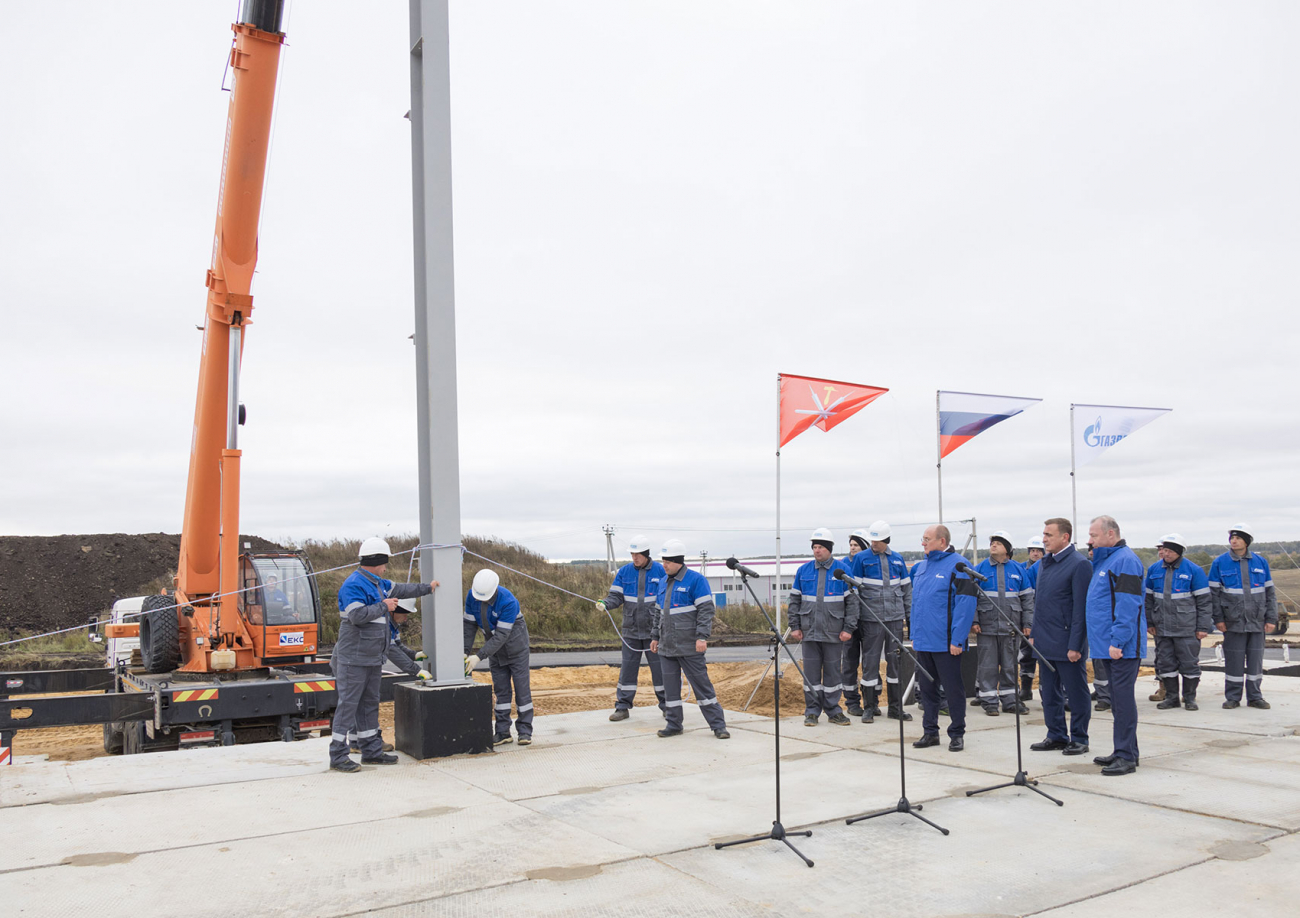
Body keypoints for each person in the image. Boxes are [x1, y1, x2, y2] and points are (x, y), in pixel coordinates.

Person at [330, 538, 438, 773]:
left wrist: (427, 588)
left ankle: (371, 752)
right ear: (377, 561)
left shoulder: (377, 583)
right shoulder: (354, 585)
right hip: (353, 659)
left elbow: (402, 588)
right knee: (348, 706)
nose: (386, 568)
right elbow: (357, 616)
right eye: (385, 563)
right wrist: (384, 606)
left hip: (371, 658)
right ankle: (338, 755)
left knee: (369, 705)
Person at [1085, 515, 1146, 776]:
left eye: (1094, 535)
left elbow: (1128, 605)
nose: (1090, 540)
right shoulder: (1107, 560)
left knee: (1122, 701)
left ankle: (1126, 757)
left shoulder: (1126, 561)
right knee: (1118, 702)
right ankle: (1125, 750)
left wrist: (1118, 641)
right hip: (1106, 645)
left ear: (1111, 535)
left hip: (1121, 646)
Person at [650, 539, 729, 739]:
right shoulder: (662, 581)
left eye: (668, 561)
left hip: (690, 645)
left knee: (702, 686)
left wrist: (702, 637)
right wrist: (654, 637)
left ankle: (718, 725)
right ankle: (674, 724)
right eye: (663, 561)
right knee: (671, 690)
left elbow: (706, 610)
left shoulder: (695, 580)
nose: (664, 565)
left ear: (678, 561)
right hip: (666, 646)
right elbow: (658, 613)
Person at [1029, 518, 1093, 760]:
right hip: (1045, 641)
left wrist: (1075, 645)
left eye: (1049, 535)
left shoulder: (1079, 565)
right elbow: (1041, 604)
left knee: (1076, 693)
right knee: (1049, 692)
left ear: (1065, 537)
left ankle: (1079, 738)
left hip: (1067, 643)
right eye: (1044, 534)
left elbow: (1080, 608)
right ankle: (1056, 734)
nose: (1044, 539)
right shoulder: (1046, 563)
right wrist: (1034, 633)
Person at [909, 525, 978, 752]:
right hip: (923, 641)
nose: (923, 543)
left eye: (927, 539)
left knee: (952, 689)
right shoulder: (921, 567)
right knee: (927, 691)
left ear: (942, 541)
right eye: (922, 539)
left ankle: (957, 733)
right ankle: (930, 732)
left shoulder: (959, 566)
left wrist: (958, 639)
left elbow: (965, 605)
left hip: (946, 642)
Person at [788, 529, 859, 726]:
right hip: (809, 631)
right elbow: (794, 600)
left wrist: (848, 628)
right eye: (814, 547)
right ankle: (811, 712)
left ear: (829, 549)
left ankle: (833, 710)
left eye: (820, 547)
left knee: (833, 674)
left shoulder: (842, 570)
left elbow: (852, 603)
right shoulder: (803, 571)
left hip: (834, 632)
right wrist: (794, 625)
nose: (816, 551)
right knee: (810, 675)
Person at [848, 521, 913, 723]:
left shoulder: (898, 560)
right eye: (872, 540)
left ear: (886, 540)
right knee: (870, 663)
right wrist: (857, 618)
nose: (874, 544)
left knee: (895, 664)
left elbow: (906, 591)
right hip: (871, 620)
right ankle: (870, 707)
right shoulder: (860, 559)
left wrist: (909, 618)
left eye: (878, 540)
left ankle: (895, 708)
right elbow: (854, 592)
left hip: (894, 620)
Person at [597, 536, 667, 721]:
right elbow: (616, 596)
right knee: (627, 669)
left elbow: (667, 598)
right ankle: (622, 707)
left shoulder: (660, 571)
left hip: (655, 632)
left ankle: (667, 706)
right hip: (631, 631)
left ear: (646, 554)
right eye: (632, 554)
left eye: (637, 554)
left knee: (660, 669)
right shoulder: (624, 572)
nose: (634, 557)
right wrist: (605, 604)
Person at [1209, 525, 1278, 710]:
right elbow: (1213, 595)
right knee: (1234, 662)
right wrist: (1218, 619)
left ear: (1247, 541)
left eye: (1238, 538)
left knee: (1255, 662)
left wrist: (1271, 618)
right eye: (1232, 537)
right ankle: (1233, 697)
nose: (1233, 541)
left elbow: (1270, 592)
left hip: (1257, 621)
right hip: (1232, 622)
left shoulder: (1260, 562)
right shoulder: (1219, 563)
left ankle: (1255, 697)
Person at [464, 569, 534, 746]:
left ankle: (525, 731)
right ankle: (503, 732)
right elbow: (469, 627)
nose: (481, 600)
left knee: (521, 691)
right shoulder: (472, 596)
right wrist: (464, 652)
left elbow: (502, 636)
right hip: (494, 651)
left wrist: (479, 656)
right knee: (501, 691)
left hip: (516, 650)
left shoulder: (508, 601)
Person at [1145, 535, 1211, 711]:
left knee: (1189, 665)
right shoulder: (1154, 570)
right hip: (1162, 628)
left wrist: (1203, 627)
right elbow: (1148, 599)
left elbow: (1204, 602)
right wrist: (1149, 622)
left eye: (1169, 551)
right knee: (1166, 665)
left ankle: (1189, 698)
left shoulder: (1193, 571)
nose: (1165, 554)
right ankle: (1172, 698)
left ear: (1179, 552)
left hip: (1187, 628)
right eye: (1164, 550)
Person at [973, 531, 1035, 715]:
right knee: (987, 666)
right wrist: (974, 620)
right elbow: (971, 599)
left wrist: (1028, 624)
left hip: (1011, 627)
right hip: (986, 627)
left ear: (1007, 549)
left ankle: (1010, 701)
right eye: (992, 542)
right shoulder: (980, 569)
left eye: (998, 543)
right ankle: (989, 701)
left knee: (1010, 666)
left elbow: (1027, 600)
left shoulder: (1018, 570)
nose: (993, 545)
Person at [840, 529, 872, 717]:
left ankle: (871, 701)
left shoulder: (870, 563)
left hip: (868, 620)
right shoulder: (844, 565)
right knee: (850, 663)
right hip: (850, 622)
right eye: (851, 545)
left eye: (856, 545)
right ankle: (852, 701)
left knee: (870, 662)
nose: (853, 549)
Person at [1018, 537, 1046, 701]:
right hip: (1029, 619)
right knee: (1026, 655)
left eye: (1038, 551)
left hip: (1043, 619)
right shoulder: (1023, 569)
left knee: (1043, 656)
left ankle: (1044, 690)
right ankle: (1026, 689)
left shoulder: (1046, 569)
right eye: (1033, 551)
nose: (1035, 553)